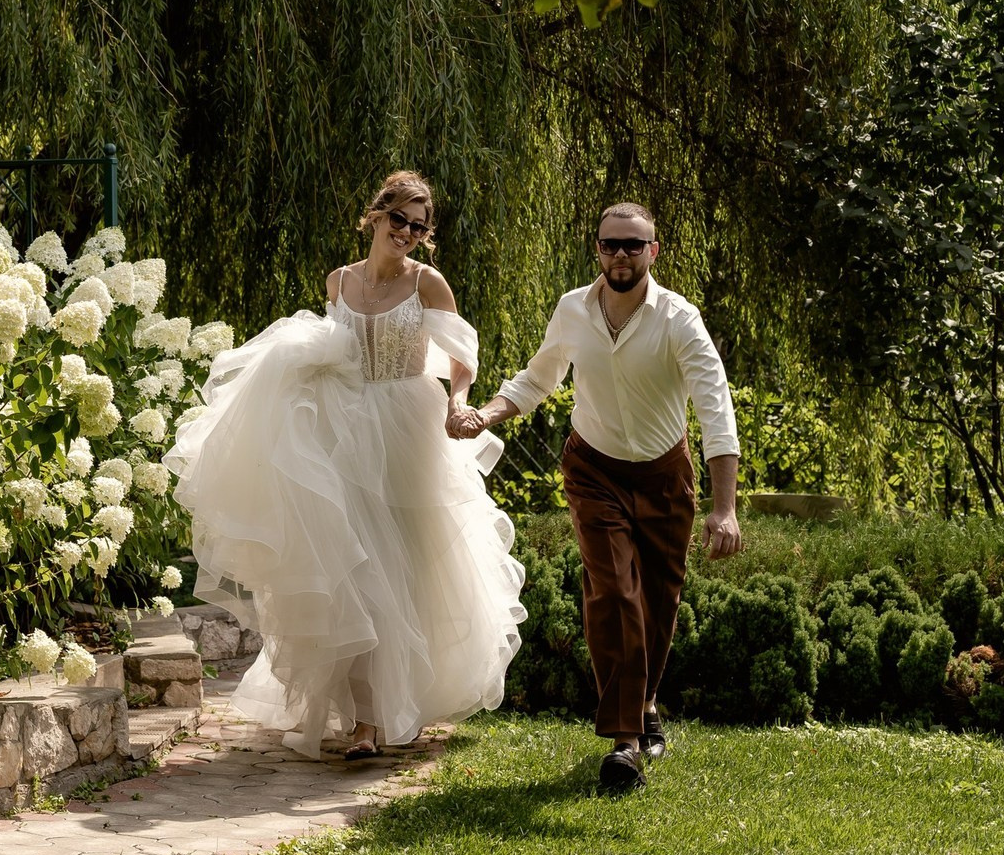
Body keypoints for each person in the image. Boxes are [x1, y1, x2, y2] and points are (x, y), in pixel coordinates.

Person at [164, 170, 526, 760]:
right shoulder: (338, 282)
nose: (407, 232)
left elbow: (463, 356)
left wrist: (459, 403)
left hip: (409, 427)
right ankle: (363, 722)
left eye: (419, 225)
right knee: (353, 570)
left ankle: (393, 705)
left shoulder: (428, 285)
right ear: (375, 216)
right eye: (398, 219)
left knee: (405, 568)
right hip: (344, 429)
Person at [457, 200, 741, 792]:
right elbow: (539, 377)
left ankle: (645, 705)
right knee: (613, 590)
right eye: (610, 244)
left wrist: (724, 507)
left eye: (633, 245)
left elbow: (715, 410)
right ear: (597, 249)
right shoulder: (572, 310)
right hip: (593, 470)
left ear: (653, 253)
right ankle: (626, 741)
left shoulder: (679, 319)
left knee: (657, 606)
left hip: (665, 475)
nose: (620, 255)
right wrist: (490, 412)